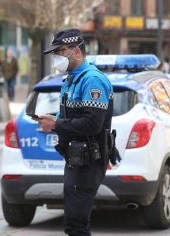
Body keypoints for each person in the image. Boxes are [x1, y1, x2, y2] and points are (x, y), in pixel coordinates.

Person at [36, 28, 113, 236]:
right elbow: (75, 115)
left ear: (76, 51)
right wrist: (54, 120)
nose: (56, 57)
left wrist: (56, 124)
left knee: (76, 225)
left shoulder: (92, 80)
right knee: (73, 222)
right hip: (76, 158)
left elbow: (92, 124)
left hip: (88, 158)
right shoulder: (71, 79)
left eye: (60, 52)